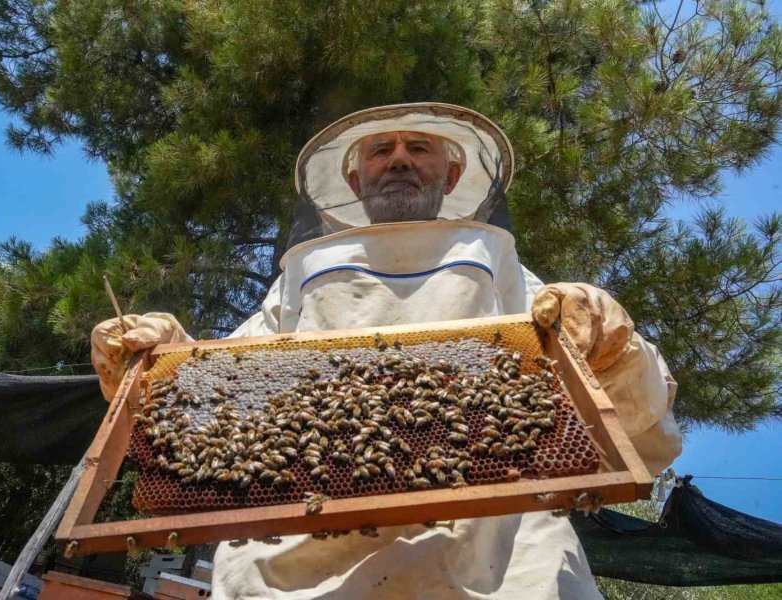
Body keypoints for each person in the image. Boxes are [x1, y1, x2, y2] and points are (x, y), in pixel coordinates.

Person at [91, 103, 682, 599]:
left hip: (498, 564)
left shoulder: (503, 267)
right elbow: (224, 392)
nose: (399, 158)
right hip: (294, 568)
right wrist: (165, 366)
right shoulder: (300, 276)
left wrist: (610, 346)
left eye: (419, 147)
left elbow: (631, 422)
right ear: (355, 180)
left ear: (451, 177)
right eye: (381, 150)